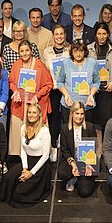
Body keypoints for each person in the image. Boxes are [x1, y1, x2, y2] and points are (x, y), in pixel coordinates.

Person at [8, 41, 53, 159]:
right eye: (22, 51)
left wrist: (37, 96)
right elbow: (11, 82)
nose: (24, 53)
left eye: (27, 50)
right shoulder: (16, 65)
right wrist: (15, 91)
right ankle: (19, 159)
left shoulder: (39, 65)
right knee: (18, 135)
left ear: (31, 51)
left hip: (34, 104)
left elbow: (49, 84)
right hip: (20, 105)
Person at [2, 103, 52, 206]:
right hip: (27, 161)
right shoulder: (23, 128)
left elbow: (46, 155)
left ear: (39, 115)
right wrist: (25, 168)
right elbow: (23, 149)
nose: (31, 115)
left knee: (19, 193)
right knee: (8, 178)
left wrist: (31, 173)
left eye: (34, 112)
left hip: (40, 165)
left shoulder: (44, 131)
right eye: (29, 112)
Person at [58, 101, 98, 197]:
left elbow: (93, 147)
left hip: (86, 160)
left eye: (82, 114)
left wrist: (88, 163)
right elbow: (64, 149)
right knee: (62, 173)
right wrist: (72, 163)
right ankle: (73, 177)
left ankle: (81, 178)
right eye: (77, 113)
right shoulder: (64, 128)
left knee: (84, 192)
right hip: (72, 158)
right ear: (72, 114)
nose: (79, 117)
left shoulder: (89, 127)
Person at [58, 39, 101, 125]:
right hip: (69, 105)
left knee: (86, 133)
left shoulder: (92, 62)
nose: (78, 54)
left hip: (87, 105)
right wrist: (66, 95)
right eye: (75, 51)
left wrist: (92, 95)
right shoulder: (66, 63)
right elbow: (60, 82)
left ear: (85, 51)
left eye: (81, 51)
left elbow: (96, 82)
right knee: (69, 133)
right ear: (71, 52)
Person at [42, 25, 70, 153]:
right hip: (53, 89)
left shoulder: (70, 50)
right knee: (53, 118)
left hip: (67, 89)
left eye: (61, 34)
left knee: (66, 118)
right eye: (56, 34)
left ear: (65, 35)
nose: (59, 37)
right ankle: (53, 146)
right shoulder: (47, 52)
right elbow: (45, 70)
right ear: (53, 36)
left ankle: (66, 146)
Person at [88, 22, 112, 130]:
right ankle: (97, 147)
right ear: (95, 34)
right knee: (94, 124)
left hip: (108, 91)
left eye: (104, 33)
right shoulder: (88, 50)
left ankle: (107, 146)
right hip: (93, 91)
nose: (102, 36)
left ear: (108, 35)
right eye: (99, 33)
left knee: (108, 123)